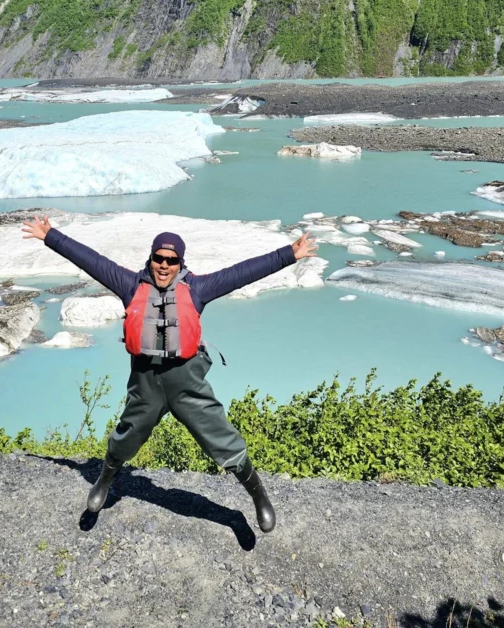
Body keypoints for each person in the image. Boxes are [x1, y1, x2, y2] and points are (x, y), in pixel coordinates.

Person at [21, 214, 318, 533]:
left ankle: (259, 499)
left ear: (180, 263)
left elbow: (242, 272)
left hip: (186, 382)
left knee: (222, 438)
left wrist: (289, 254)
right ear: (151, 260)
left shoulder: (198, 288)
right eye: (159, 258)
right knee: (126, 435)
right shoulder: (129, 284)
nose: (164, 265)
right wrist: (51, 236)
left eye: (171, 260)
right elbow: (92, 260)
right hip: (146, 382)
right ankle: (104, 481)